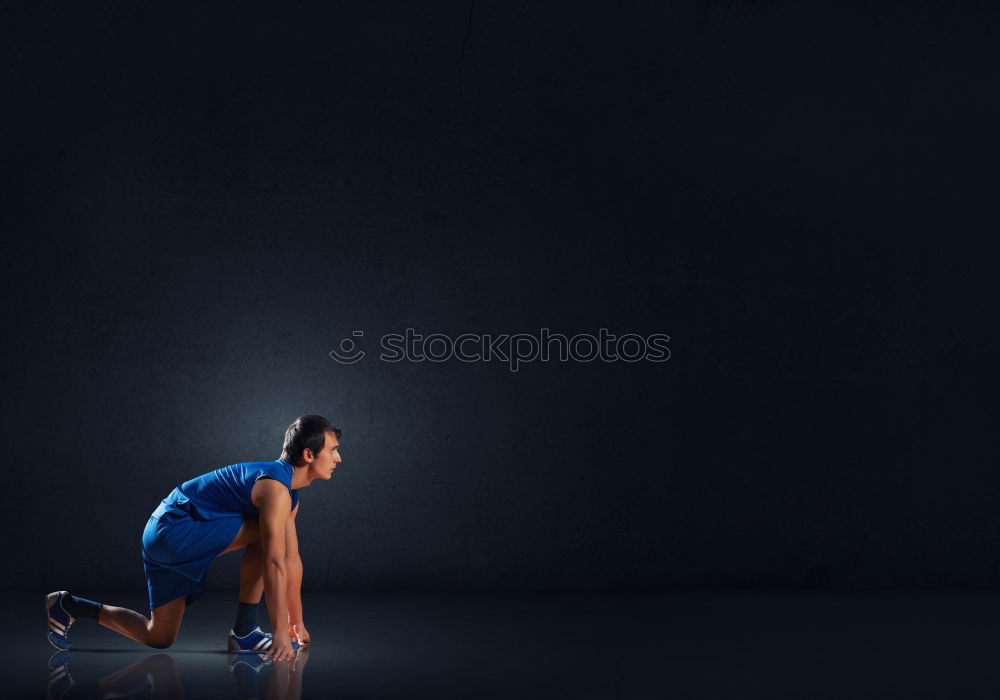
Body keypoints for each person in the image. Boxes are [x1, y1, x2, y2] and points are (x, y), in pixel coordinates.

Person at [45, 415, 343, 663]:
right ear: (308, 454)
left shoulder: (289, 496)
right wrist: (279, 632)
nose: (337, 458)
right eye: (332, 450)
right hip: (174, 529)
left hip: (162, 536)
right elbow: (276, 561)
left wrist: (296, 622)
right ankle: (245, 631)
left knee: (159, 636)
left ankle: (70, 606)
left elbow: (292, 560)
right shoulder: (274, 488)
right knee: (268, 535)